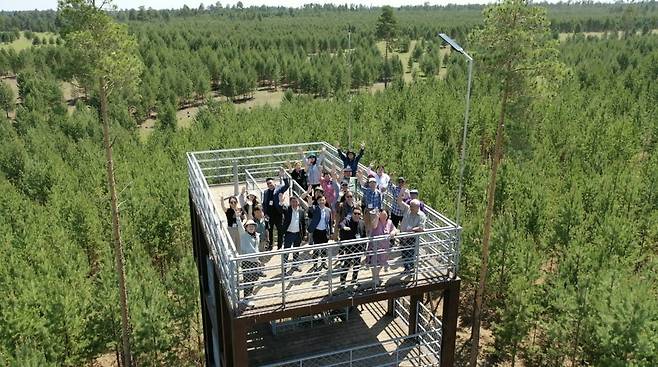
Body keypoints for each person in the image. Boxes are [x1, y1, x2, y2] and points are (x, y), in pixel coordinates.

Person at [397, 191, 426, 276]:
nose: (410, 208)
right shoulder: (407, 209)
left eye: (412, 207)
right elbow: (399, 201)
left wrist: (411, 230)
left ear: (417, 207)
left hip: (412, 237)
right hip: (403, 236)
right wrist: (401, 192)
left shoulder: (421, 215)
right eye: (410, 206)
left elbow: (421, 228)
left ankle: (412, 269)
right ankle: (406, 268)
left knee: (411, 254)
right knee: (404, 253)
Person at [366, 210, 398, 287]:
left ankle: (376, 276)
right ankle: (375, 278)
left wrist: (393, 232)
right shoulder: (376, 221)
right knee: (374, 263)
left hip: (384, 247)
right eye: (382, 215)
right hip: (374, 247)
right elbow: (374, 226)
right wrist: (376, 216)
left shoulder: (389, 222)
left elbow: (395, 229)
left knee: (381, 263)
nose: (384, 217)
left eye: (385, 215)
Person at [337, 208, 367, 288]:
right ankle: (343, 283)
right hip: (348, 249)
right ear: (352, 214)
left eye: (358, 214)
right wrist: (344, 227)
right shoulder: (347, 221)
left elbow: (364, 235)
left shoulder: (362, 223)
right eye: (355, 213)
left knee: (357, 266)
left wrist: (364, 247)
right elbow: (341, 224)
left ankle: (354, 280)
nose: (357, 215)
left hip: (358, 249)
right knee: (346, 266)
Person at [262, 169, 290, 250]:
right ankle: (270, 245)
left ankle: (279, 246)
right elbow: (264, 203)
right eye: (268, 184)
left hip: (278, 213)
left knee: (280, 230)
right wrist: (265, 213)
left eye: (270, 183)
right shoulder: (266, 192)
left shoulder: (279, 189)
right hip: (269, 215)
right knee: (270, 230)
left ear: (274, 182)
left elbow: (287, 185)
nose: (269, 184)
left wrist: (284, 176)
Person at [278, 194, 306, 272]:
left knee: (296, 251)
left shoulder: (301, 211)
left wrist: (304, 235)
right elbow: (280, 210)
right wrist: (280, 202)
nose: (294, 203)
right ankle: (284, 268)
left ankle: (295, 265)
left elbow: (303, 224)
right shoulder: (287, 209)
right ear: (290, 203)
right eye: (292, 202)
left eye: (295, 201)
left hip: (298, 234)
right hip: (289, 234)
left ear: (298, 202)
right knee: (286, 251)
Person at [237, 219, 261, 307]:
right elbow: (239, 226)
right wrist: (238, 217)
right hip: (247, 260)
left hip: (255, 260)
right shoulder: (244, 235)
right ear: (246, 228)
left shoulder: (257, 235)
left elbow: (256, 248)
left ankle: (249, 295)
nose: (251, 227)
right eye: (249, 226)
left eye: (253, 226)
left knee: (254, 278)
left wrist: (258, 259)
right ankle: (246, 298)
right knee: (248, 279)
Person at [307, 195, 332, 271]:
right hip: (317, 232)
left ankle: (323, 263)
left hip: (325, 232)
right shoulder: (315, 208)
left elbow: (330, 222)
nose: (322, 201)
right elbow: (310, 208)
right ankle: (315, 264)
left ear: (325, 201)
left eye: (323, 200)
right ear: (318, 201)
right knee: (316, 250)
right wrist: (310, 202)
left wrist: (331, 232)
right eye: (320, 200)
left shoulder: (328, 210)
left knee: (324, 249)